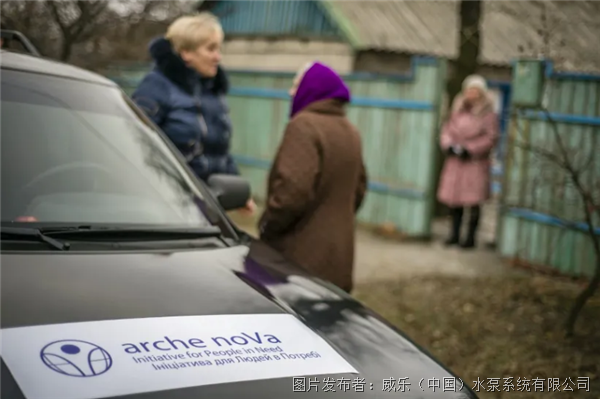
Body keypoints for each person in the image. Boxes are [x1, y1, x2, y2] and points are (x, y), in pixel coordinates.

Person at [257, 61, 368, 294]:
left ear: (313, 89)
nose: (290, 92)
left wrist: (267, 225)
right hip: (339, 258)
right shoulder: (350, 131)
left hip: (299, 260)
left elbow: (292, 193)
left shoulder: (304, 126)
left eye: (296, 85)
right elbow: (359, 189)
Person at [131, 12, 256, 214]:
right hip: (164, 205)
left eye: (219, 49)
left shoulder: (213, 93)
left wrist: (239, 191)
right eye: (211, 49)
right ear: (186, 52)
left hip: (207, 207)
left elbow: (220, 153)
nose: (218, 57)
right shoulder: (156, 87)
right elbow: (134, 143)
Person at [437, 74, 499, 249]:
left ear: (481, 93)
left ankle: (470, 238)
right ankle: (454, 235)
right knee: (454, 200)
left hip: (474, 163)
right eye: (469, 90)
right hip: (456, 162)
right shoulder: (457, 110)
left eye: (475, 90)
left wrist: (470, 149)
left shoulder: (488, 114)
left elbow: (491, 137)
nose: (471, 93)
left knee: (473, 201)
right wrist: (449, 145)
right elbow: (446, 129)